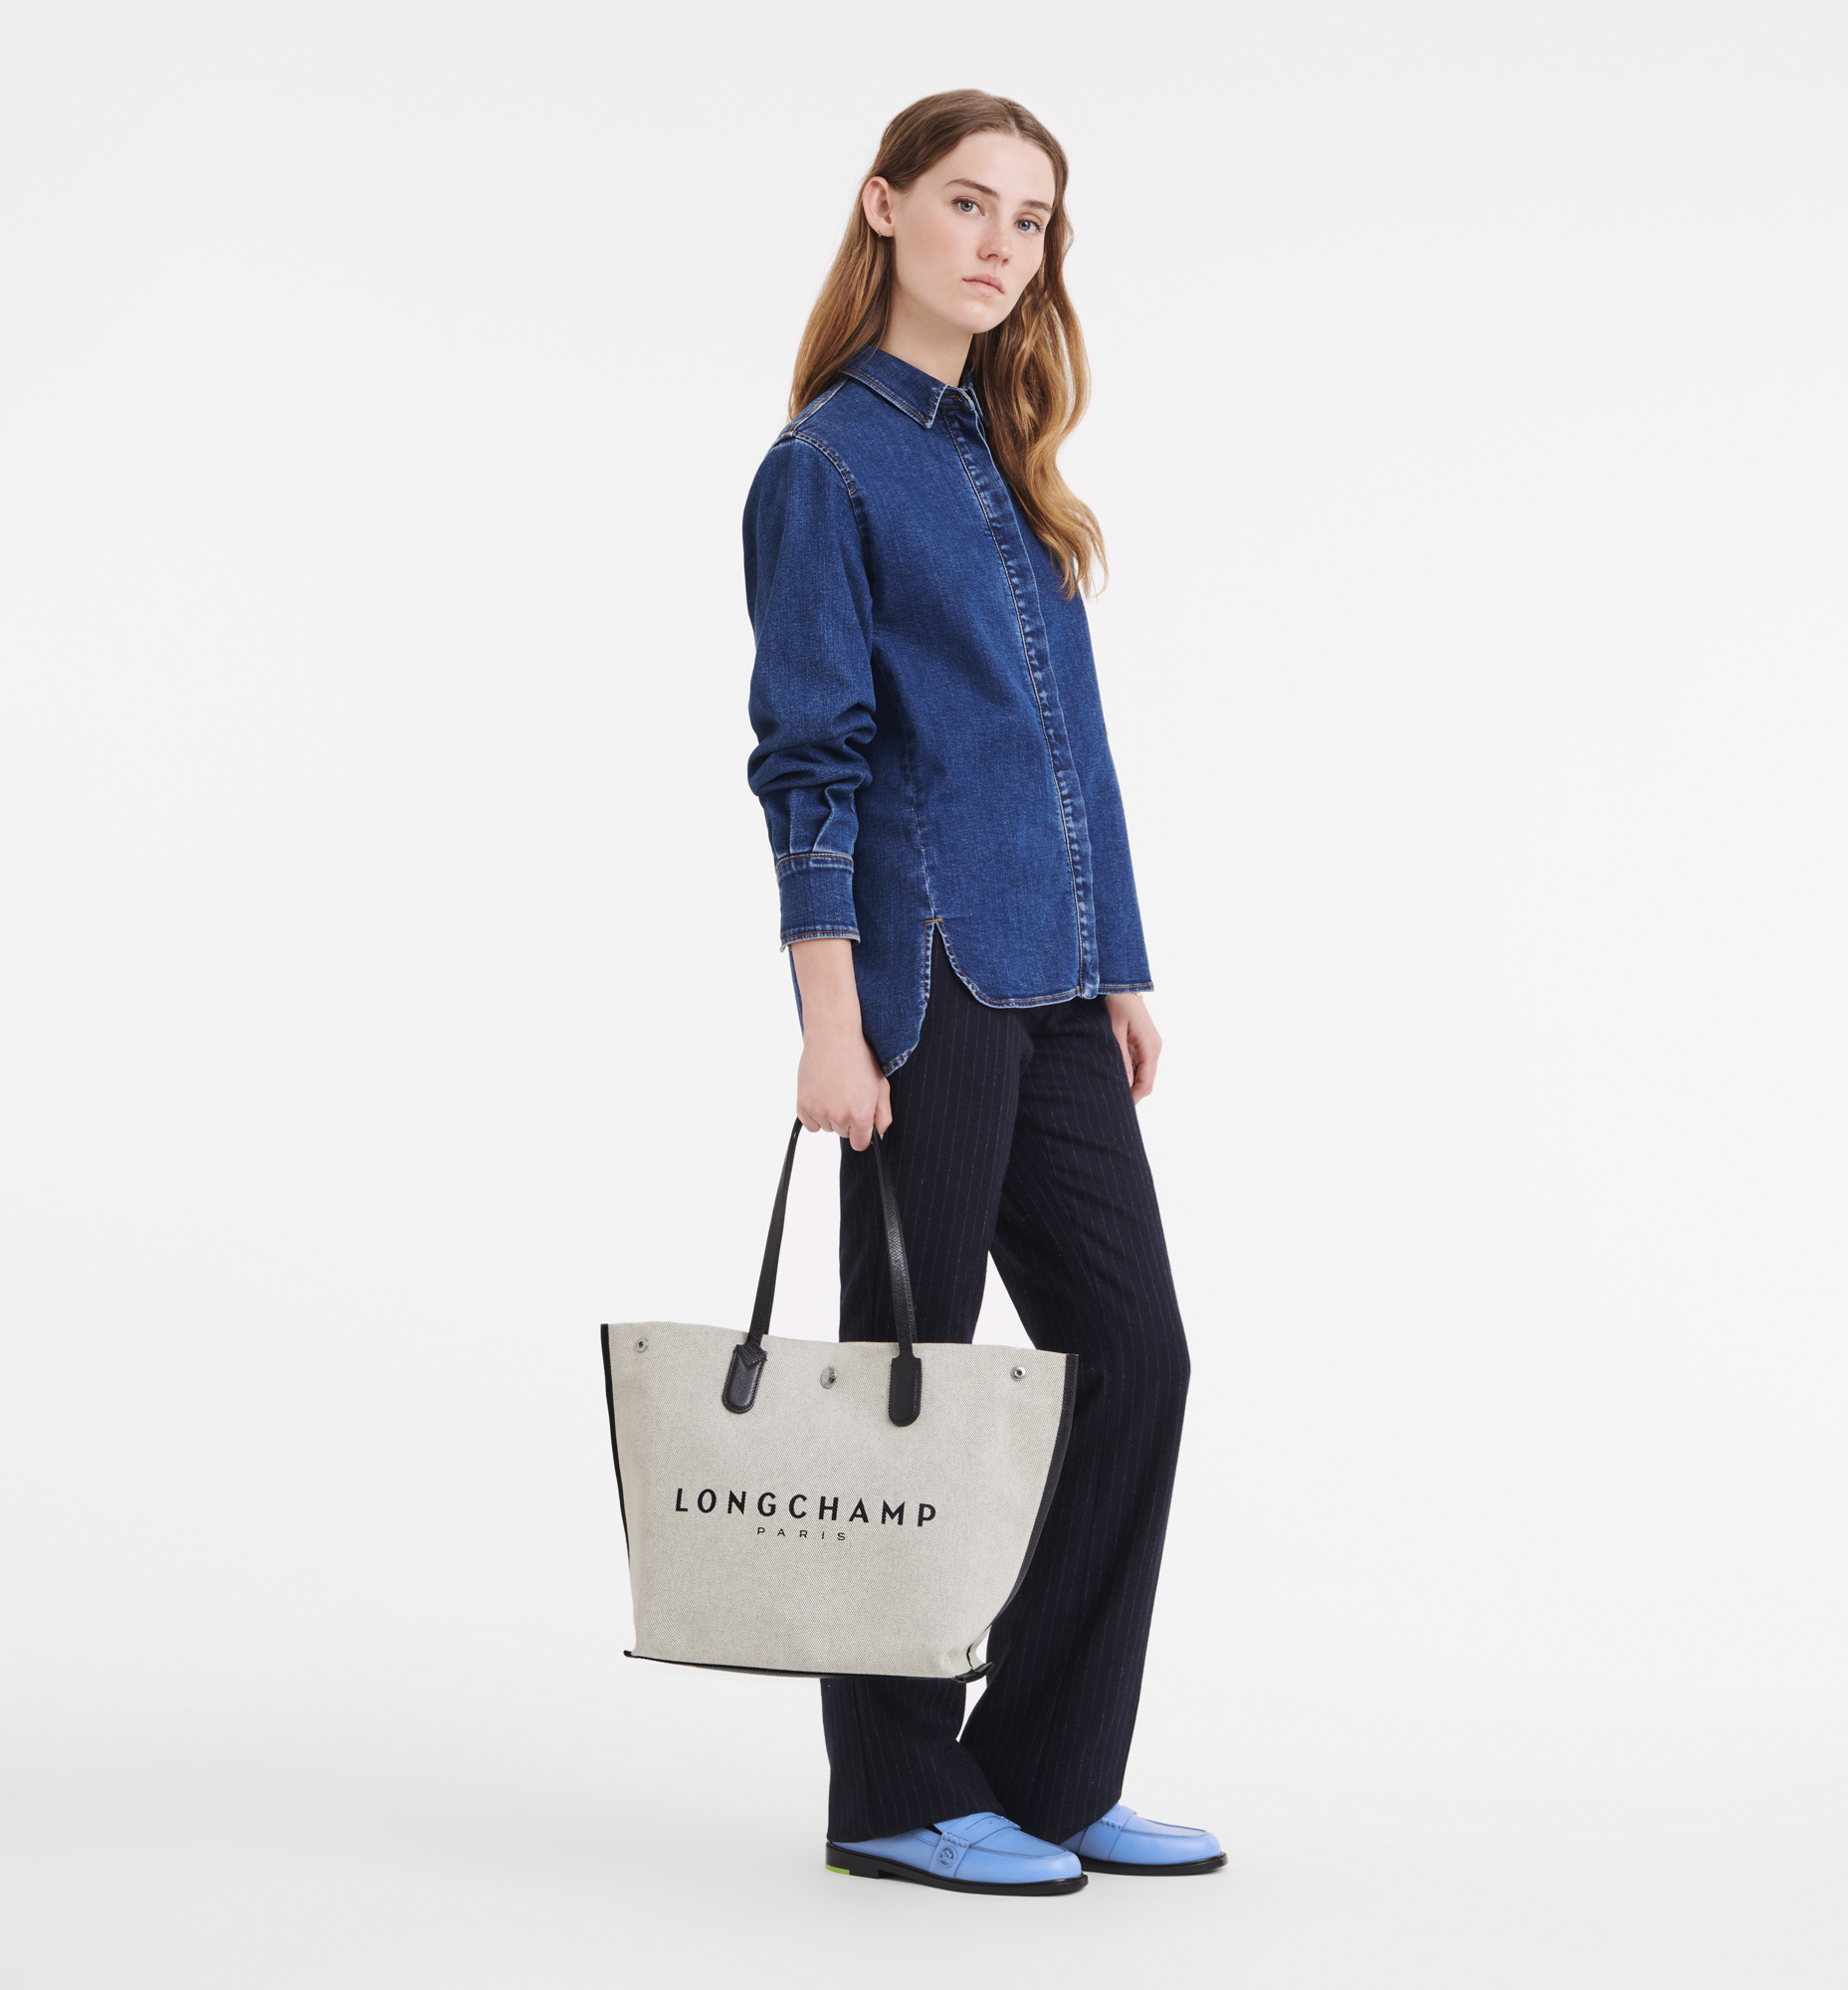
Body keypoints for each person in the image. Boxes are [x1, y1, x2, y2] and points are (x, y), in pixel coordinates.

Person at [743, 90, 1223, 1897]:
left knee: (1136, 1358)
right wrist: (828, 1015)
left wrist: (1123, 959)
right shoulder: (826, 468)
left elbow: (1072, 745)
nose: (1001, 244)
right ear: (884, 208)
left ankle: (1044, 1769)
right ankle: (889, 1791)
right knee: (910, 1378)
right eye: (967, 203)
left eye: (1031, 220)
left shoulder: (1011, 470)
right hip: (923, 984)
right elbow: (810, 760)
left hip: (1058, 979)